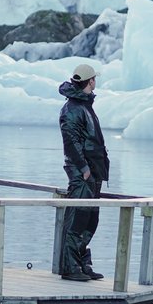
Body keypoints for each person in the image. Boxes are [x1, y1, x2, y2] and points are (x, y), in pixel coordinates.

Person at [57, 62, 108, 281]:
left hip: (92, 173)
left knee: (90, 220)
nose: (95, 82)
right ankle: (70, 267)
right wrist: (84, 168)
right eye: (94, 79)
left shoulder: (84, 105)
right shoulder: (72, 108)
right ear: (89, 81)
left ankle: (81, 262)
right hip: (83, 173)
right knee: (77, 219)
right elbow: (71, 141)